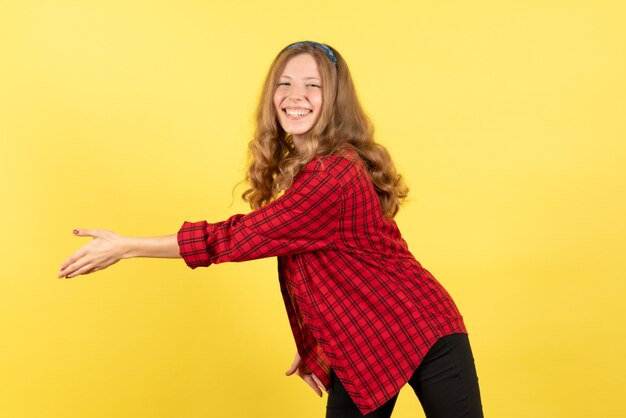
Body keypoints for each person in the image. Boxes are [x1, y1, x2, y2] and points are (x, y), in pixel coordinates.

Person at [58, 41, 484, 418]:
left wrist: (126, 246)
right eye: (284, 84)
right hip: (362, 340)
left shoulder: (333, 175)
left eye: (312, 86)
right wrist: (318, 337)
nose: (295, 97)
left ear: (334, 99)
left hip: (423, 329)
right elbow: (323, 263)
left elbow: (240, 237)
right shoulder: (309, 169)